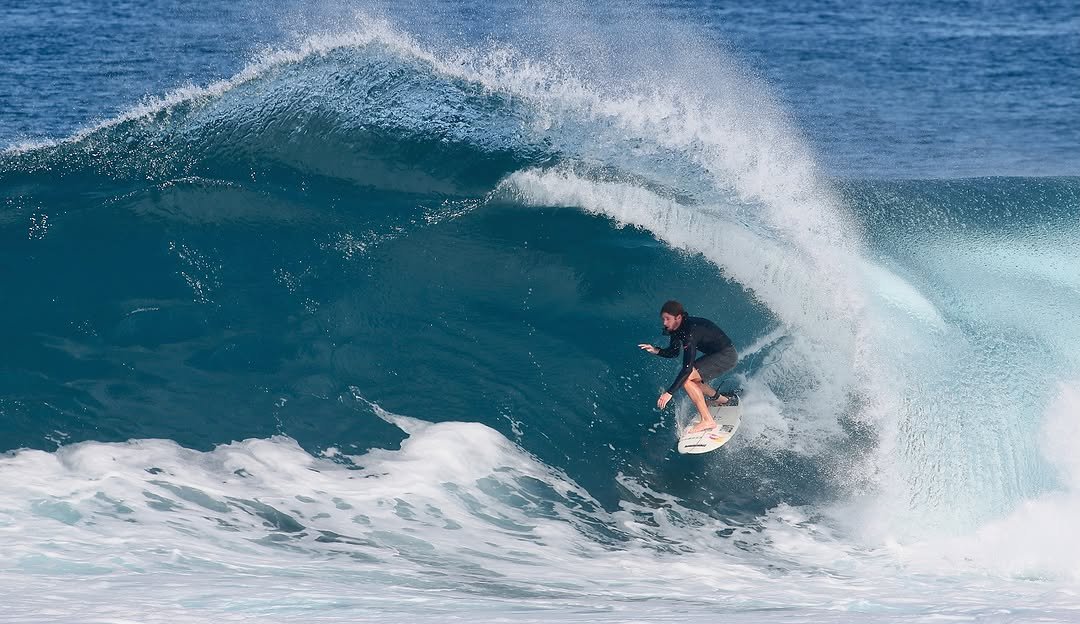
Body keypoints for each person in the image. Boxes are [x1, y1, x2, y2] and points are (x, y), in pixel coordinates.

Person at [638, 300, 738, 433]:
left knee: (687, 379)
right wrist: (656, 350)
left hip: (727, 355)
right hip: (717, 354)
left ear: (678, 317)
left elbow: (686, 368)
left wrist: (669, 393)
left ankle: (707, 420)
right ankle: (722, 400)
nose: (664, 323)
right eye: (663, 319)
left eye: (667, 319)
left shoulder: (689, 332)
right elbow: (674, 352)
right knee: (692, 379)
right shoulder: (676, 328)